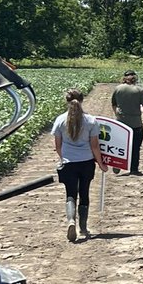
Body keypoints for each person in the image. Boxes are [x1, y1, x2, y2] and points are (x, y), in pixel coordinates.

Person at [52, 89, 107, 241]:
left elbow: (58, 146)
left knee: (70, 194)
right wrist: (101, 164)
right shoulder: (90, 120)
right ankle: (83, 227)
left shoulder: (60, 120)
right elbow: (95, 146)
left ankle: (71, 220)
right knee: (84, 193)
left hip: (69, 163)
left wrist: (64, 158)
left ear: (67, 101)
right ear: (82, 101)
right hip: (86, 162)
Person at [111, 69, 143, 174]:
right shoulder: (139, 90)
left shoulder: (118, 89)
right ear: (135, 79)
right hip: (136, 123)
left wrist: (117, 114)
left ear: (124, 78)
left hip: (121, 122)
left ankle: (117, 164)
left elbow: (114, 104)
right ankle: (134, 169)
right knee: (135, 147)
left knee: (119, 145)